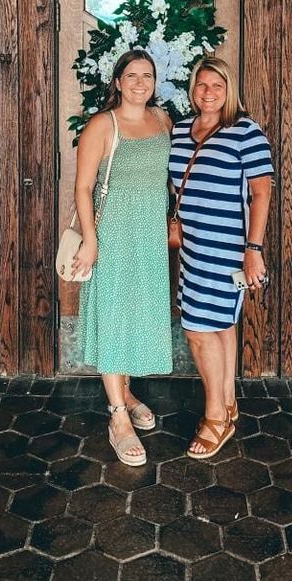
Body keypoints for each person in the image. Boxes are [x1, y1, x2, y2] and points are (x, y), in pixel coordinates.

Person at [73, 49, 173, 466]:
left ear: (154, 82)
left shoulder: (163, 120)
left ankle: (127, 392)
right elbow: (82, 189)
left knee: (136, 312)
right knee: (115, 314)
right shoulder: (103, 124)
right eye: (131, 75)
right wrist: (91, 242)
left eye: (146, 75)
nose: (139, 83)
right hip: (113, 235)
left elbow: (172, 176)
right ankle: (117, 416)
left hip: (149, 236)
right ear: (117, 81)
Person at [169, 57, 273, 459]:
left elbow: (261, 193)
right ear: (192, 90)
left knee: (198, 329)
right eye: (201, 85)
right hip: (193, 246)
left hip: (228, 248)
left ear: (229, 90)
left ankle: (214, 416)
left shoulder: (245, 131)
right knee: (220, 327)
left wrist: (254, 250)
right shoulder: (180, 130)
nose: (208, 93)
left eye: (217, 86)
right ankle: (227, 406)